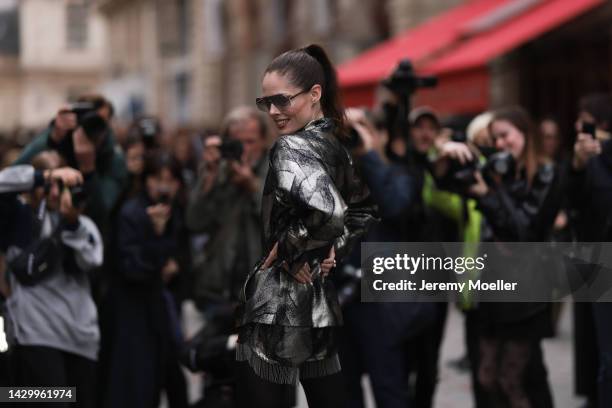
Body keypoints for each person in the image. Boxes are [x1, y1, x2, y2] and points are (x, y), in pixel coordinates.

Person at [235, 44, 377, 408]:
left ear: (315, 94)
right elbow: (361, 211)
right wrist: (329, 250)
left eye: (282, 100)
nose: (273, 111)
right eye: (265, 102)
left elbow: (330, 213)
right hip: (318, 302)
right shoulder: (335, 144)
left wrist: (288, 250)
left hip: (275, 304)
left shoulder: (289, 148)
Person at [467, 106, 561, 408]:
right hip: (493, 289)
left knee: (516, 378)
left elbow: (524, 230)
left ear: (525, 133)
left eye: (505, 135)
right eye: (495, 139)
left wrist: (492, 194)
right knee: (487, 376)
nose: (500, 144)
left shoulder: (545, 173)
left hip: (526, 294)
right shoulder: (500, 173)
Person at [1, 153, 103, 408]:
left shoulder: (83, 224)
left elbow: (92, 261)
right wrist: (41, 177)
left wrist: (72, 224)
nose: (57, 192)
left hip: (80, 340)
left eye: (63, 185)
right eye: (53, 185)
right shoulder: (17, 217)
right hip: (38, 336)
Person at [99, 151, 187, 408]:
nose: (163, 187)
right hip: (132, 312)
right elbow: (131, 267)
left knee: (166, 379)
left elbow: (179, 254)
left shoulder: (173, 212)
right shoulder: (132, 212)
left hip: (159, 308)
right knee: (134, 382)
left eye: (170, 180)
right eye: (158, 179)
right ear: (146, 180)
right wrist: (158, 242)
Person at [186, 107, 272, 305]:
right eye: (237, 143)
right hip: (219, 290)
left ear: (263, 142)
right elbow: (194, 222)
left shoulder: (275, 169)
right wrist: (209, 178)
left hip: (261, 291)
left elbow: (280, 221)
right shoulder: (217, 170)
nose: (244, 149)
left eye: (250, 142)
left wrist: (253, 186)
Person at [13, 95, 127, 231]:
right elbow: (15, 174)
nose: (93, 127)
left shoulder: (114, 157)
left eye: (99, 122)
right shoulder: (62, 140)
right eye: (89, 119)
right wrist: (52, 137)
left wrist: (88, 169)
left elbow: (101, 212)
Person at [568, 93, 612, 408]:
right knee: (592, 340)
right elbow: (574, 200)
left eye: (587, 122)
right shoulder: (582, 159)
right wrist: (580, 164)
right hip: (592, 256)